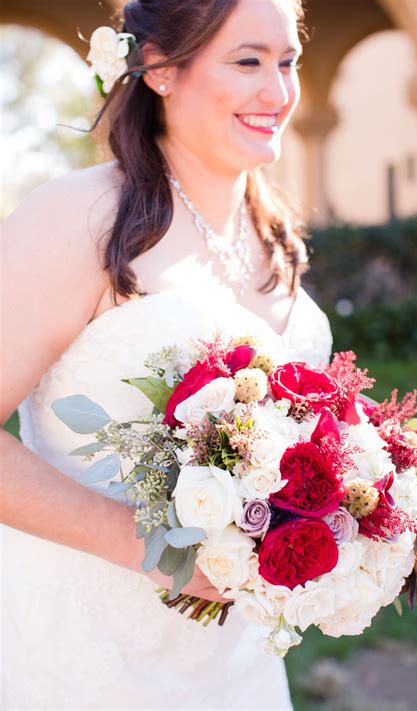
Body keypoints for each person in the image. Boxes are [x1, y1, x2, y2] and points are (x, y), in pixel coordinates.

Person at [1, 0, 332, 707]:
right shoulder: (81, 217)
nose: (277, 92)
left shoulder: (276, 237)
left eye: (288, 62)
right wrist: (145, 544)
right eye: (247, 61)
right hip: (76, 660)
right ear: (158, 68)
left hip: (234, 666)